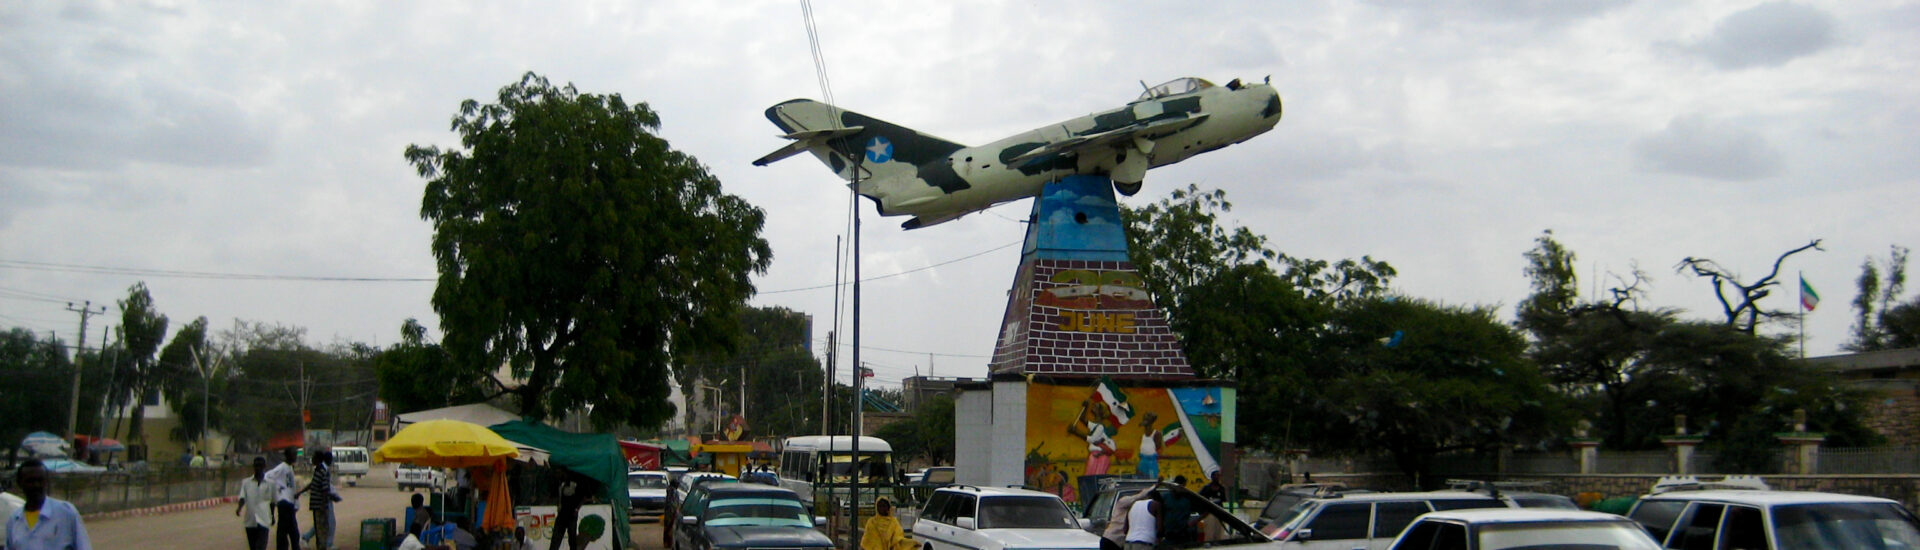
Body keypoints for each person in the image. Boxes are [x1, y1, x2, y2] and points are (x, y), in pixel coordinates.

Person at [5, 459, 93, 550]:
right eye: (30, 481)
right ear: (20, 483)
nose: (36, 485)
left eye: (40, 480)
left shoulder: (66, 513)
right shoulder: (14, 521)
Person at [294, 450, 338, 550]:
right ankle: (325, 544)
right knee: (322, 528)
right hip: (319, 505)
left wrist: (323, 504)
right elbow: (318, 486)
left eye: (313, 457)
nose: (312, 459)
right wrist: (300, 493)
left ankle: (324, 544)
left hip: (320, 505)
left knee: (321, 528)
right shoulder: (320, 470)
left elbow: (323, 489)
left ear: (318, 459)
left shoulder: (321, 470)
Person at [266, 448, 303, 550]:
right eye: (293, 455)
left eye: (296, 455)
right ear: (287, 456)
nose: (295, 457)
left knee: (289, 530)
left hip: (290, 502)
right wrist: (278, 489)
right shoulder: (282, 467)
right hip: (284, 502)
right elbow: (268, 476)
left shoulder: (290, 468)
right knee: (288, 530)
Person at [237, 457, 277, 550]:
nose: (258, 468)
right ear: (253, 467)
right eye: (256, 465)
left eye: (260, 465)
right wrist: (239, 508)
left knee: (261, 546)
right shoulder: (246, 482)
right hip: (250, 520)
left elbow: (272, 502)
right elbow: (242, 497)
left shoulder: (271, 484)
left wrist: (272, 516)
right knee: (253, 547)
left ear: (264, 467)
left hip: (264, 519)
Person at [1101, 485, 1157, 550]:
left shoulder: (1139, 509)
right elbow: (1138, 497)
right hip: (1111, 540)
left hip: (1123, 542)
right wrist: (1154, 486)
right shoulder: (1123, 502)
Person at [549, 471, 585, 550]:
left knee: (572, 539)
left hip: (571, 514)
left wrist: (576, 509)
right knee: (556, 538)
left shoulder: (575, 484)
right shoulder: (561, 484)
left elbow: (583, 497)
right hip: (562, 514)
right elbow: (560, 497)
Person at [1137, 413, 1162, 479]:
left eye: (1147, 425)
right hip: (1142, 464)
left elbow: (1159, 450)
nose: (1146, 427)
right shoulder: (1143, 436)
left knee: (1151, 482)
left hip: (1151, 464)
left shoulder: (1156, 434)